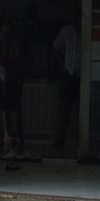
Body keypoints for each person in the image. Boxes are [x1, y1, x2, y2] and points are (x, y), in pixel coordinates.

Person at [0, 17, 25, 170]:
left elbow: (16, 57)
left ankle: (6, 135)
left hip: (9, 77)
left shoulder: (13, 41)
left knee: (6, 105)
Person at [53, 13, 80, 156]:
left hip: (81, 75)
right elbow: (56, 47)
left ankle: (82, 141)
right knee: (65, 109)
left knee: (82, 111)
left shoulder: (86, 32)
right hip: (69, 73)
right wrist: (62, 65)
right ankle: (60, 139)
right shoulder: (66, 31)